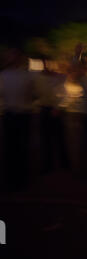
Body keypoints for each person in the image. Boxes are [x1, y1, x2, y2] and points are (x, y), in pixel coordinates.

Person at [0, 49, 36, 191]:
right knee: (17, 146)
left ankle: (16, 177)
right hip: (18, 114)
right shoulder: (26, 76)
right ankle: (19, 178)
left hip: (17, 114)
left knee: (15, 146)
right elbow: (35, 94)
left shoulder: (6, 75)